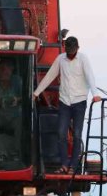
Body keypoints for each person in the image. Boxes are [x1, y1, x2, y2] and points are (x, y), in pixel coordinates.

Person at [32, 36, 101, 174]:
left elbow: (90, 77)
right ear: (65, 49)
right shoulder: (60, 59)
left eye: (73, 50)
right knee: (61, 133)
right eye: (69, 50)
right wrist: (36, 93)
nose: (70, 53)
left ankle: (73, 166)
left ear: (77, 49)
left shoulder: (83, 59)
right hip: (65, 101)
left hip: (79, 101)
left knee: (76, 134)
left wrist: (95, 94)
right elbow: (50, 76)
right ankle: (64, 164)